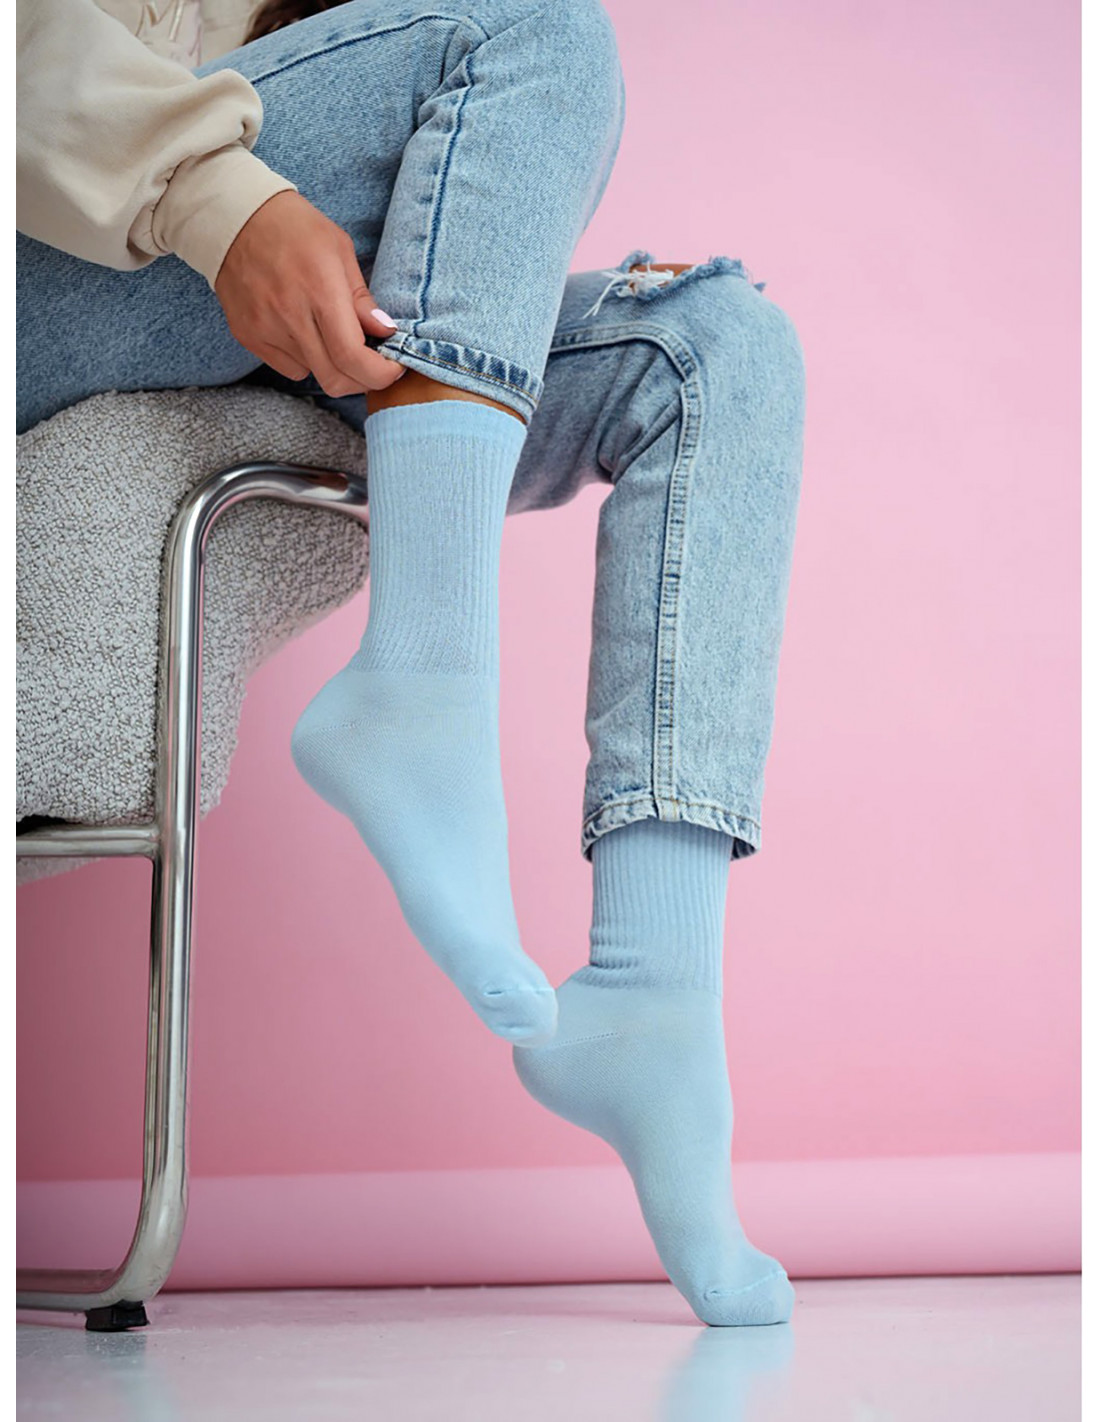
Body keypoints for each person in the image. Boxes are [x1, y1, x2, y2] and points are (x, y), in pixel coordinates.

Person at [16, 0, 806, 1328]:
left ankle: (652, 998)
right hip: (53, 239)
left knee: (717, 350)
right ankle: (422, 681)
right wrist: (222, 204)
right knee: (534, 26)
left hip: (240, 296)